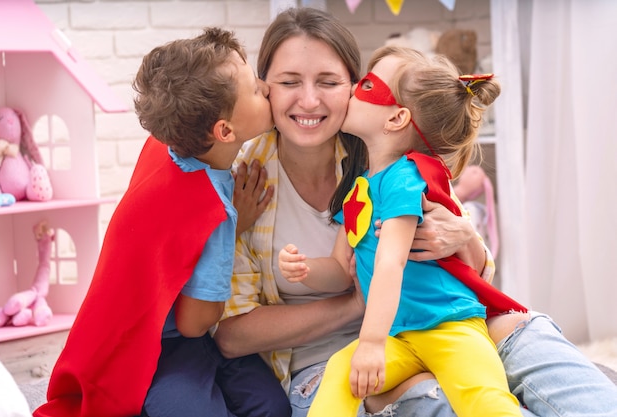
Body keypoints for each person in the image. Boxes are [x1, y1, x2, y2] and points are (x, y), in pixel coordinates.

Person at [214, 7, 617, 417]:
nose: (310, 99)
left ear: (353, 89)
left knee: (531, 338)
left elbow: (478, 272)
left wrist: (465, 236)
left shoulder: (389, 156)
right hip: (345, 357)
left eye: (330, 82)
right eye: (289, 82)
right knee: (432, 398)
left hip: (441, 321)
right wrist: (357, 307)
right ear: (266, 89)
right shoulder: (246, 183)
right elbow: (231, 336)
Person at [34, 28, 290, 417]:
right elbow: (193, 323)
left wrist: (230, 226)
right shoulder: (211, 211)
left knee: (273, 406)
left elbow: (177, 245)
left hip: (184, 331)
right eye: (255, 90)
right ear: (224, 131)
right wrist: (225, 231)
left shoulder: (164, 145)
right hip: (160, 346)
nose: (266, 88)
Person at [278, 45, 525, 417]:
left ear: (395, 119)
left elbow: (390, 262)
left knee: (485, 400)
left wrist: (371, 341)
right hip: (399, 337)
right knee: (339, 375)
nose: (352, 89)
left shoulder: (405, 180)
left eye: (367, 86)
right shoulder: (360, 186)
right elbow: (339, 266)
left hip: (449, 327)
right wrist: (307, 271)